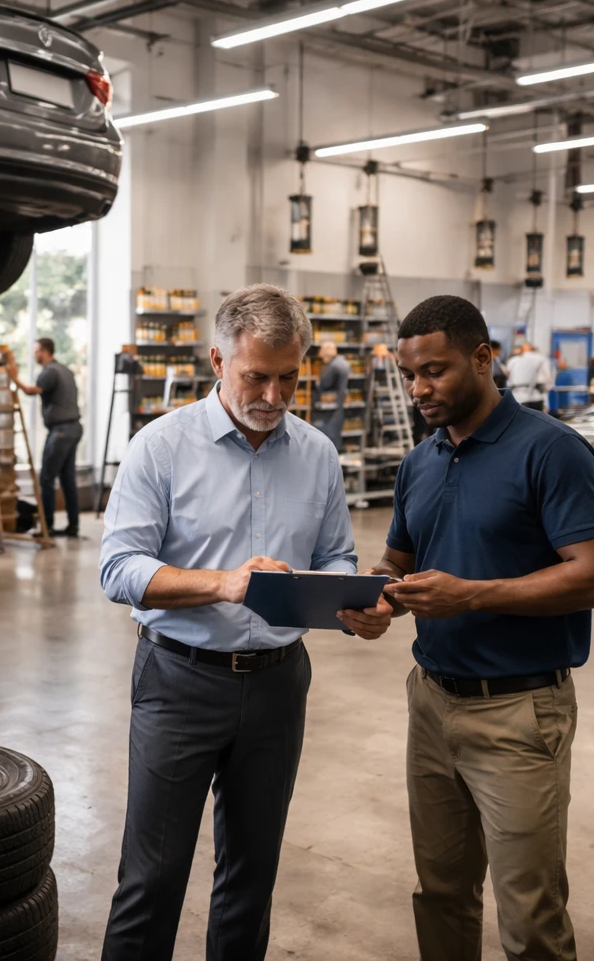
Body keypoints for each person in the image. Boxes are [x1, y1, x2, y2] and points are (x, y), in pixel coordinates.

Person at [99, 285, 392, 961]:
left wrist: (354, 606)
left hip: (278, 685)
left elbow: (336, 557)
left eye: (289, 377)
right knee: (152, 879)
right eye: (256, 376)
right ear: (217, 360)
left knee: (251, 879)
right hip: (179, 680)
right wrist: (225, 583)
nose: (274, 394)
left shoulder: (317, 454)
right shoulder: (160, 448)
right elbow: (119, 570)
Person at [344, 295, 594, 961]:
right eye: (409, 375)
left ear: (483, 358)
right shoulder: (420, 462)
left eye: (436, 371)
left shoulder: (552, 451)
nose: (419, 390)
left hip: (519, 713)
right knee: (442, 893)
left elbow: (588, 574)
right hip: (432, 704)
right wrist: (376, 597)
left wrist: (472, 595)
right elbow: (398, 561)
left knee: (531, 916)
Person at [7, 338, 82, 538]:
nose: (35, 354)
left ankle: (47, 526)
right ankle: (73, 525)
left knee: (47, 477)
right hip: (74, 428)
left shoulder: (50, 372)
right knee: (67, 479)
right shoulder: (65, 370)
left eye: (37, 351)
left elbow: (31, 391)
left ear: (45, 351)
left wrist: (14, 377)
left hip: (61, 431)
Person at [313, 339, 349, 451]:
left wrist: (318, 383)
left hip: (328, 410)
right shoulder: (343, 363)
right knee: (335, 438)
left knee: (325, 439)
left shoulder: (333, 366)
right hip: (338, 406)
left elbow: (325, 383)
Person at [506, 341, 552, 410]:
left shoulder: (513, 361)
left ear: (521, 350)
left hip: (516, 398)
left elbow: (509, 380)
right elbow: (547, 378)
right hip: (536, 397)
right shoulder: (542, 359)